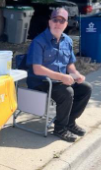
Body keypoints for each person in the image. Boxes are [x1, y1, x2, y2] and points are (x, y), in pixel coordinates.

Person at [26, 8, 92, 142]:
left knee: (86, 88)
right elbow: (37, 69)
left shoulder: (67, 40)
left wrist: (75, 74)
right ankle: (60, 129)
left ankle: (70, 122)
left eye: (62, 21)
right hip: (41, 82)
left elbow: (69, 64)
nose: (58, 23)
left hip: (58, 81)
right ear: (50, 22)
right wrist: (63, 77)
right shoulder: (39, 41)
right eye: (55, 20)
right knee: (67, 92)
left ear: (66, 24)